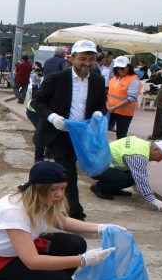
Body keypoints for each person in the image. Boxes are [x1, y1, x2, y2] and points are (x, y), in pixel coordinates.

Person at [32, 39, 107, 221]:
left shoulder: (98, 80)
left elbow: (102, 104)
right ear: (72, 58)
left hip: (81, 135)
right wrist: (53, 117)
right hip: (59, 134)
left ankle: (44, 200)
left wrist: (99, 112)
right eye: (82, 59)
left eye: (91, 59)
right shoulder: (57, 78)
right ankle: (75, 214)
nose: (87, 63)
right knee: (68, 173)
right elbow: (36, 101)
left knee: (66, 171)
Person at [90, 137, 162, 212]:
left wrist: (139, 188)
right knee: (130, 179)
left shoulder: (142, 144)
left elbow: (139, 172)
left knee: (132, 176)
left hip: (96, 161)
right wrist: (154, 200)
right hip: (96, 167)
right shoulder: (138, 156)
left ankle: (113, 188)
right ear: (155, 149)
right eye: (161, 157)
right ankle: (100, 187)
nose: (158, 160)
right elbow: (141, 178)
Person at [106, 56, 143, 139]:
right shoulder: (115, 78)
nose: (120, 70)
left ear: (128, 67)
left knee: (121, 135)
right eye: (118, 68)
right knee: (103, 131)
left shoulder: (133, 79)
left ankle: (120, 151)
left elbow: (132, 97)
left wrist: (116, 107)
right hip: (111, 110)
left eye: (122, 68)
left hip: (124, 112)